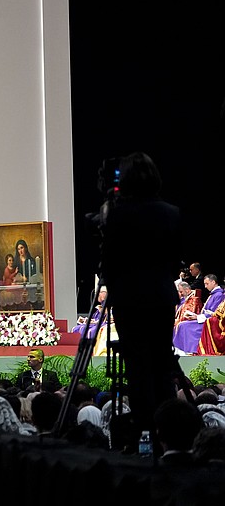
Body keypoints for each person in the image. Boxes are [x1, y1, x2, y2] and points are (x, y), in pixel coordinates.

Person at [99, 151, 184, 444]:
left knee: (137, 364)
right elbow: (175, 263)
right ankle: (170, 431)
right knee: (162, 359)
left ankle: (144, 431)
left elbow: (108, 264)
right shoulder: (172, 213)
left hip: (129, 299)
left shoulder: (119, 214)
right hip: (161, 297)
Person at [174, 274, 221, 354]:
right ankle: (182, 351)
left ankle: (191, 350)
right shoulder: (214, 294)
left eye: (207, 284)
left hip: (210, 322)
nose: (205, 287)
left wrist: (197, 317)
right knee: (182, 324)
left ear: (213, 282)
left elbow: (214, 314)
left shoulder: (219, 295)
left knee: (184, 325)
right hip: (204, 319)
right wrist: (196, 316)